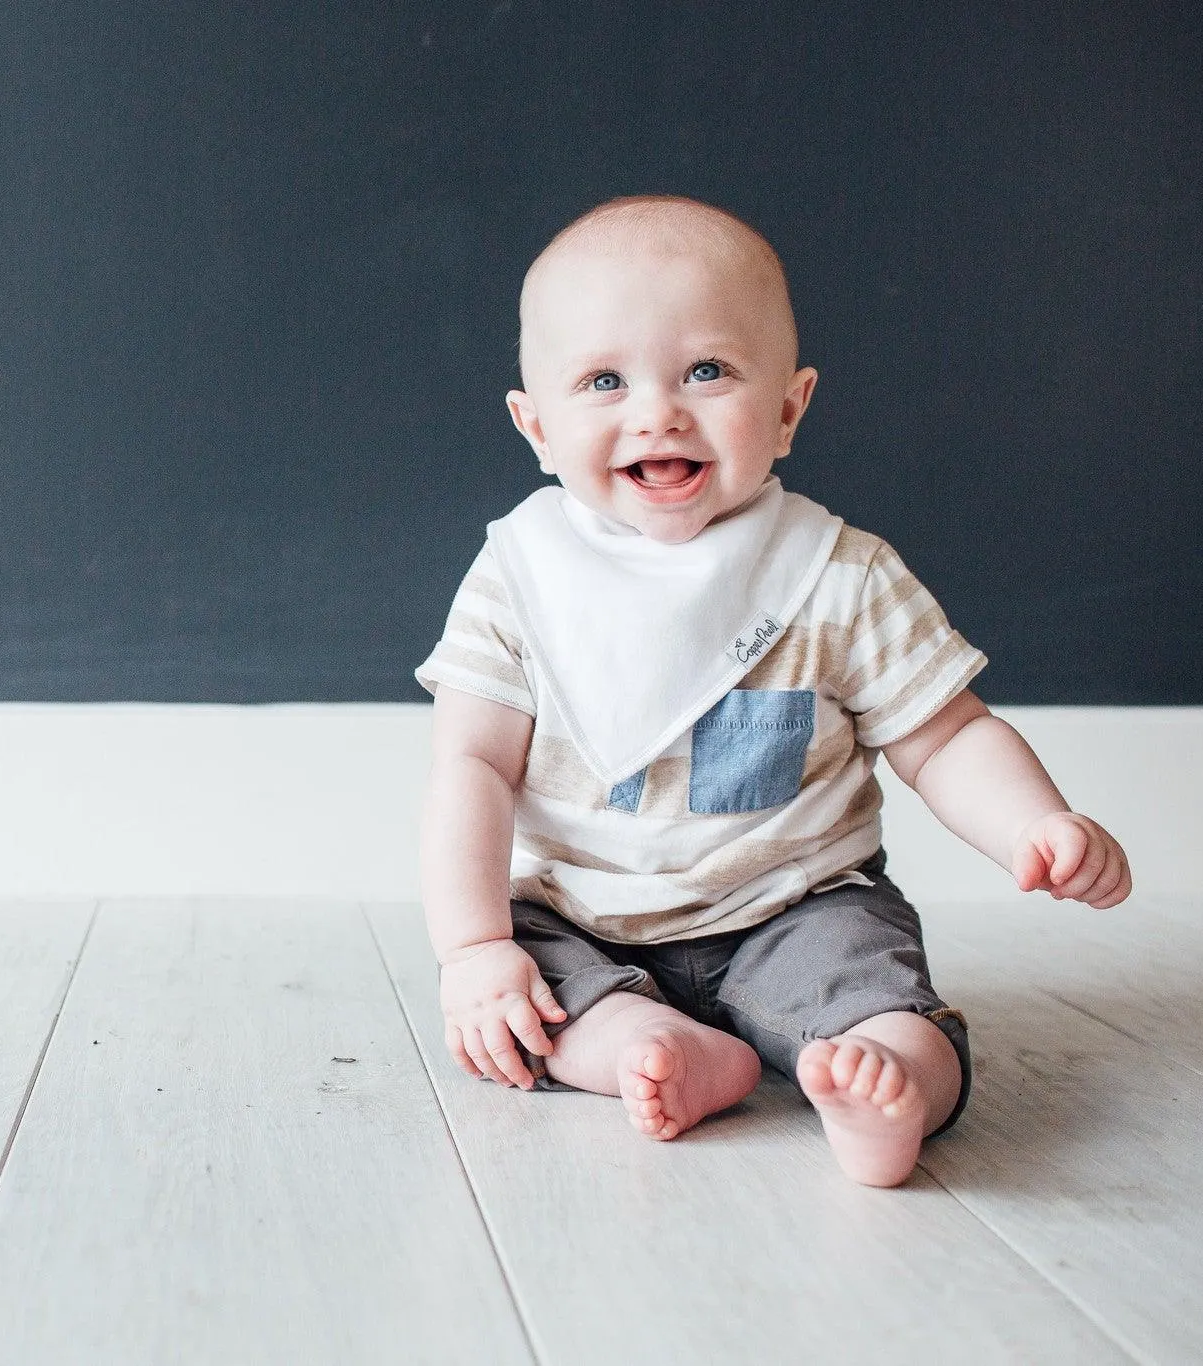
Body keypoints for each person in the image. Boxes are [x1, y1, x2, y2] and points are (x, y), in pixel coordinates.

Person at [415, 195, 1131, 1187]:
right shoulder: (519, 579)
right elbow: (472, 765)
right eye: (602, 380)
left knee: (875, 993)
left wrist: (1032, 825)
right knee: (529, 1007)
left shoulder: (835, 574)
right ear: (535, 426)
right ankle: (643, 1047)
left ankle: (890, 1080)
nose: (656, 410)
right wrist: (472, 947)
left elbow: (947, 734)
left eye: (705, 370)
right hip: (577, 912)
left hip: (794, 907)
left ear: (789, 407)